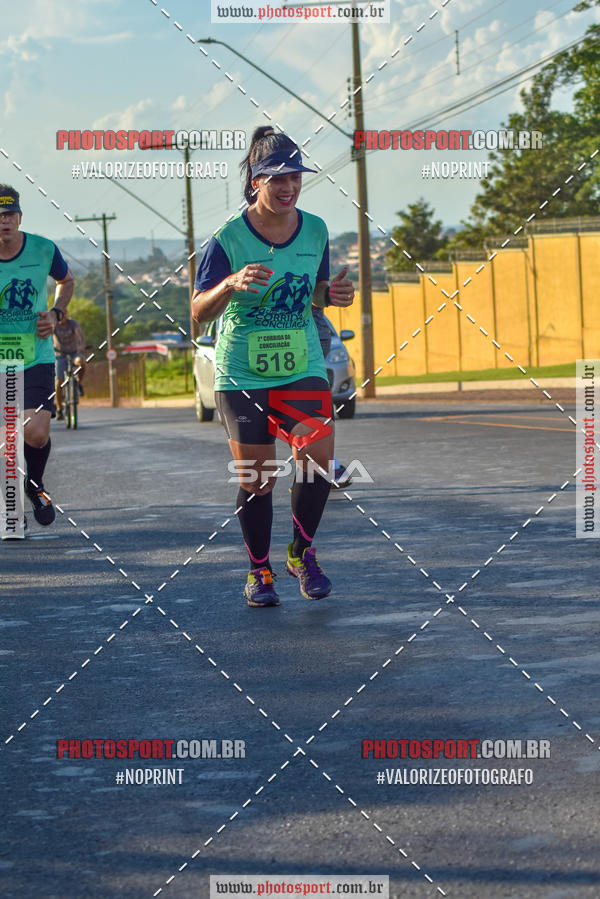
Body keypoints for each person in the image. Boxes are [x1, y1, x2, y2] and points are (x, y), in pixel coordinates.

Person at [191, 126, 354, 607]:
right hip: (242, 371)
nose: (288, 188)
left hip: (300, 362)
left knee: (319, 459)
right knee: (258, 477)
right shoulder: (227, 238)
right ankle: (259, 572)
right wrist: (231, 284)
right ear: (255, 182)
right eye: (277, 179)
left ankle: (302, 553)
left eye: (296, 178)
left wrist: (334, 295)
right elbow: (198, 310)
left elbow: (316, 292)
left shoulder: (318, 230)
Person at [0, 185, 74, 525]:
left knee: (36, 431)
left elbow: (66, 280)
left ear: (19, 217)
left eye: (10, 215)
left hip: (36, 356)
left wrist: (56, 314)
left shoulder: (43, 249)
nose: (4, 222)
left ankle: (34, 484)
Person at [311, 303, 352, 489]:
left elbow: (320, 294)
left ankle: (329, 466)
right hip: (269, 341)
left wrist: (329, 295)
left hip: (313, 341)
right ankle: (327, 466)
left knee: (313, 408)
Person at [53, 308, 86, 420]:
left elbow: (79, 334)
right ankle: (59, 409)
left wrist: (81, 345)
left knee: (81, 362)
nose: (63, 317)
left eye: (65, 314)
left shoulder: (73, 323)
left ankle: (78, 384)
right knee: (59, 381)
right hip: (59, 354)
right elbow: (47, 337)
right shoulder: (55, 325)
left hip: (74, 353)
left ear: (67, 314)